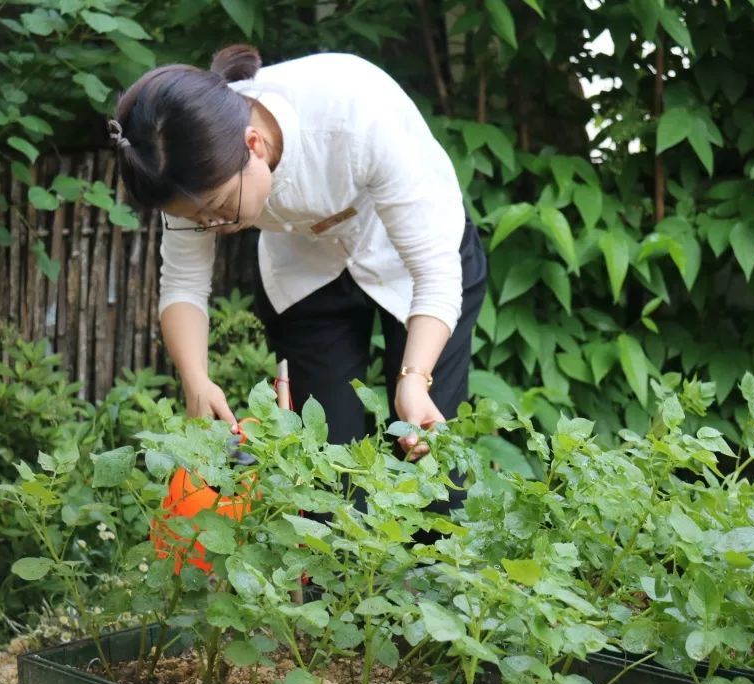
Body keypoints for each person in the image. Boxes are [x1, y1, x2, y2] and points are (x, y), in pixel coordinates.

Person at [108, 45, 487, 471]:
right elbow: (182, 284)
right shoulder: (183, 159)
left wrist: (414, 380)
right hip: (308, 272)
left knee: (430, 456)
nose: (208, 225)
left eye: (216, 209)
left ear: (253, 145)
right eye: (195, 219)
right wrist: (196, 381)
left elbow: (435, 274)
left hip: (414, 262)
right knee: (324, 470)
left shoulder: (355, 115)